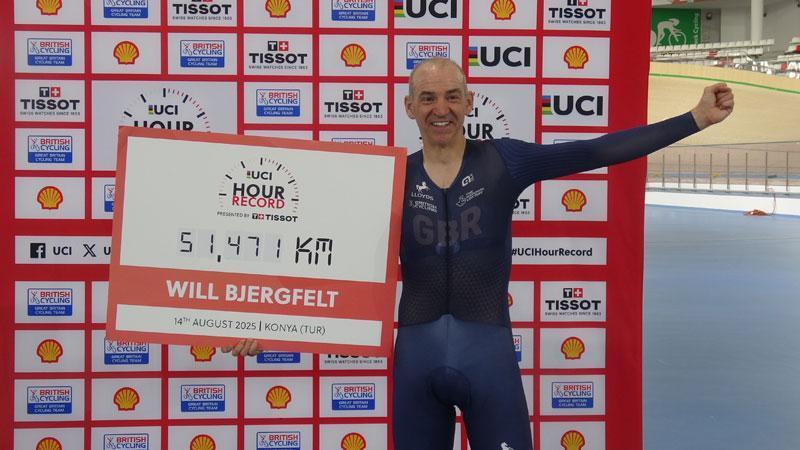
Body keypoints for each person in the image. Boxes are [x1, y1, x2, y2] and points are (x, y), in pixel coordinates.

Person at [224, 58, 734, 450]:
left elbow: (596, 150)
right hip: (416, 357)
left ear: (469, 102)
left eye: (451, 96)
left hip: (487, 354)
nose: (440, 108)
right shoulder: (390, 177)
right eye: (427, 98)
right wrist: (263, 321)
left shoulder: (505, 160)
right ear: (409, 107)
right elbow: (326, 254)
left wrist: (694, 119)